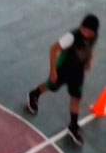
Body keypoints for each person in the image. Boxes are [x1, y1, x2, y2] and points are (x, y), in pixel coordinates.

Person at [27, 14, 99, 146]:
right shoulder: (72, 36)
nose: (85, 32)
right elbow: (54, 49)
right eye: (84, 29)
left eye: (89, 31)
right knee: (51, 86)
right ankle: (35, 93)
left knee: (76, 97)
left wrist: (89, 60)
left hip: (78, 71)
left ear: (94, 32)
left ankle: (73, 126)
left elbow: (90, 48)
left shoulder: (93, 37)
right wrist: (53, 70)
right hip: (64, 68)